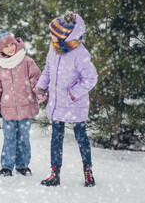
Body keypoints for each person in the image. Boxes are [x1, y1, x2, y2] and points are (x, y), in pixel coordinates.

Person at [36, 11, 98, 187]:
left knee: (82, 138)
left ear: (63, 36)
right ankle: (55, 173)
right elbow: (48, 69)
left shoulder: (80, 53)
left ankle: (88, 171)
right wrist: (41, 87)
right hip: (57, 103)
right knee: (56, 138)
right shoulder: (53, 48)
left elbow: (91, 78)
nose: (49, 35)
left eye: (52, 33)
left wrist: (73, 93)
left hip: (74, 104)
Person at [0, 29, 41, 177]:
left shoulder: (27, 61)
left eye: (12, 44)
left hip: (26, 109)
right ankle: (6, 167)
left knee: (24, 139)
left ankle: (23, 165)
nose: (11, 48)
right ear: (0, 49)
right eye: (6, 46)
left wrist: (40, 92)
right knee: (9, 139)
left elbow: (37, 79)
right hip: (8, 111)